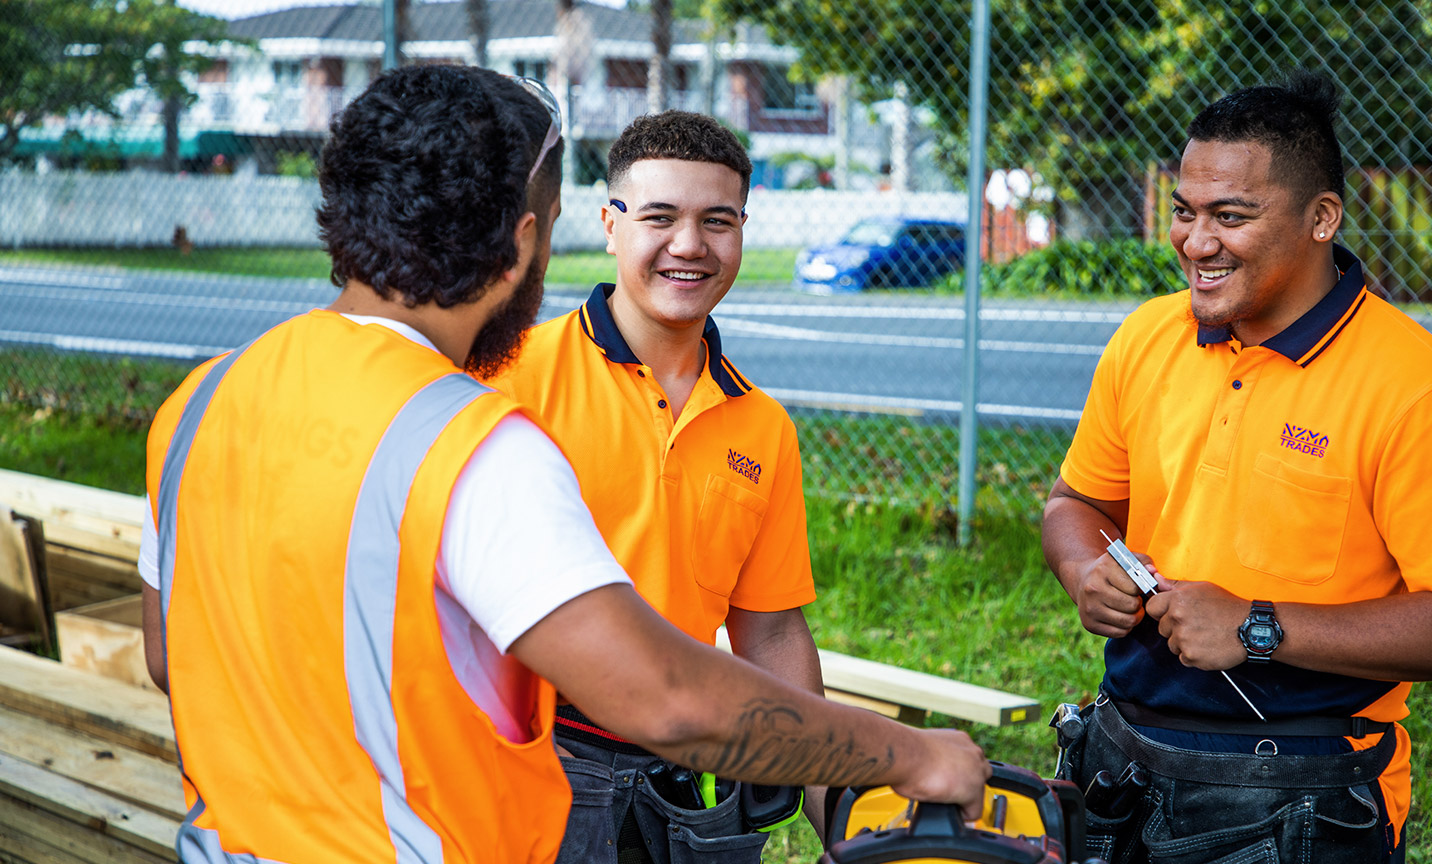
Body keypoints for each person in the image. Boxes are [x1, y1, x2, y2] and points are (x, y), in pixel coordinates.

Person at [136, 65, 990, 864]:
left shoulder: (201, 399)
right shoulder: (473, 440)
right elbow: (663, 698)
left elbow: (173, 656)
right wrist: (905, 754)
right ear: (524, 241)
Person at [1041, 70, 1432, 864]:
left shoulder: (1420, 388)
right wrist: (1085, 568)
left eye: (1231, 217)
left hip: (1308, 790)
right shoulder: (1146, 336)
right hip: (1123, 753)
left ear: (1321, 218)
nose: (1197, 243)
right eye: (1184, 212)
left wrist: (1256, 627)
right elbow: (1075, 502)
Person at [485, 111, 827, 859]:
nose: (690, 246)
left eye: (717, 221)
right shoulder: (508, 378)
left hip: (686, 777)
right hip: (533, 761)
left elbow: (768, 629)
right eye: (659, 217)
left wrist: (831, 793)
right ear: (611, 225)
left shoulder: (761, 425)